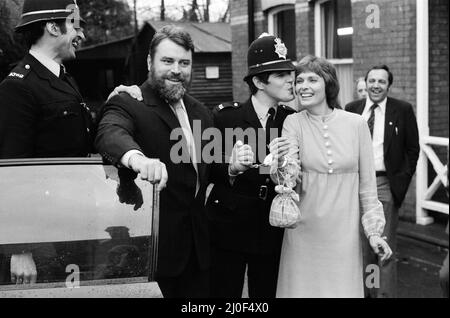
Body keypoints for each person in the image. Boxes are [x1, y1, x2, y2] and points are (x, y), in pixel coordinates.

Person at [0, 0, 135, 286]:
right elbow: (11, 173)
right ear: (52, 26)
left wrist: (112, 102)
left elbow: (79, 139)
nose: (82, 34)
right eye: (75, 25)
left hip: (75, 223)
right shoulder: (17, 86)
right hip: (41, 239)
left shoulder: (64, 78)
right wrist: (20, 249)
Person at [95, 25, 214, 298]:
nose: (177, 70)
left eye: (184, 63)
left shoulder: (201, 112)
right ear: (150, 62)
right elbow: (110, 133)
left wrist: (233, 165)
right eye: (168, 61)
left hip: (199, 255)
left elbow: (208, 167)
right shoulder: (128, 101)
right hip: (152, 257)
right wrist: (137, 159)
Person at [275, 55, 392, 298]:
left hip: (343, 237)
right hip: (304, 233)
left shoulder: (356, 124)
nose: (303, 86)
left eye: (312, 79)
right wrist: (281, 163)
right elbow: (287, 179)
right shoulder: (292, 122)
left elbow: (368, 188)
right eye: (299, 81)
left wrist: (374, 233)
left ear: (328, 84)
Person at [206, 33, 296, 298]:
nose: (290, 80)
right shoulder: (225, 117)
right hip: (228, 225)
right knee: (225, 294)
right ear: (258, 81)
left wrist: (281, 168)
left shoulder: (290, 120)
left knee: (266, 294)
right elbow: (207, 167)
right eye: (280, 75)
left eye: (289, 73)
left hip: (271, 225)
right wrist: (231, 168)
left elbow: (278, 172)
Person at [346, 64, 420, 298]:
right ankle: (369, 293)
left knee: (384, 247)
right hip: (355, 185)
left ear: (389, 85)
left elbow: (412, 149)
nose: (376, 85)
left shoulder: (403, 110)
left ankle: (384, 296)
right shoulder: (352, 109)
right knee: (365, 249)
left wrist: (401, 181)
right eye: (372, 81)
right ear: (365, 83)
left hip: (384, 184)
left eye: (382, 82)